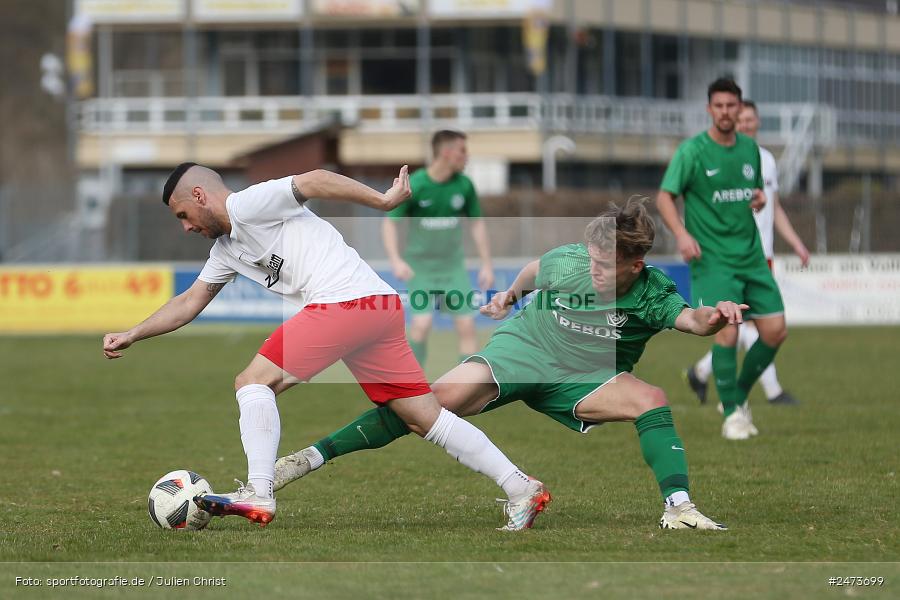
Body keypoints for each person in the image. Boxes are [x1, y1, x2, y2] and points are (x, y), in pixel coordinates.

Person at [102, 163, 549, 531]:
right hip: (376, 306)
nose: (185, 228)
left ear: (200, 196)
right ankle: (520, 487)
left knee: (253, 381)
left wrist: (382, 200)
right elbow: (189, 301)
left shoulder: (246, 204)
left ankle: (260, 491)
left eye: (183, 215)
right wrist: (133, 333)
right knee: (423, 417)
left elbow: (312, 180)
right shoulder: (224, 251)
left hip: (347, 303)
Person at [274, 200, 742, 531]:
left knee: (652, 399)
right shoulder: (571, 261)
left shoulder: (651, 292)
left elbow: (691, 320)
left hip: (584, 377)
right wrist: (509, 297)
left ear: (635, 266)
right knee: (430, 404)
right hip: (525, 348)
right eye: (592, 257)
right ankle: (307, 459)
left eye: (606, 264)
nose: (593, 268)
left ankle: (678, 508)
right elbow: (535, 270)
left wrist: (716, 316)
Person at [657, 78, 788, 441]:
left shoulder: (749, 149)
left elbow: (753, 191)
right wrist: (682, 235)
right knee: (728, 331)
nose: (726, 112)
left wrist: (759, 199)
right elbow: (665, 197)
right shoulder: (692, 151)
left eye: (732, 106)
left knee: (776, 331)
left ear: (739, 108)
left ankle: (737, 396)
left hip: (750, 255)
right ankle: (732, 414)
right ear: (709, 109)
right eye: (719, 106)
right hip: (713, 259)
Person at [685, 100, 810, 408]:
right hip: (728, 258)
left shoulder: (765, 159)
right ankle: (768, 392)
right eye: (740, 119)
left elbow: (774, 206)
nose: (745, 124)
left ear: (757, 123)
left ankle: (702, 372)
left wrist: (795, 242)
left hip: (759, 256)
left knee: (756, 328)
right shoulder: (711, 156)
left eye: (750, 119)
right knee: (738, 328)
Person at [382, 130, 493, 368]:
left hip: (453, 268)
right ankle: (412, 386)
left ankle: (466, 388)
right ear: (446, 152)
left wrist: (486, 264)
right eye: (462, 150)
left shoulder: (464, 185)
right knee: (421, 325)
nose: (467, 156)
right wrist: (395, 260)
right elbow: (390, 224)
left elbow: (477, 224)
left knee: (467, 326)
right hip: (421, 269)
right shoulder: (418, 184)